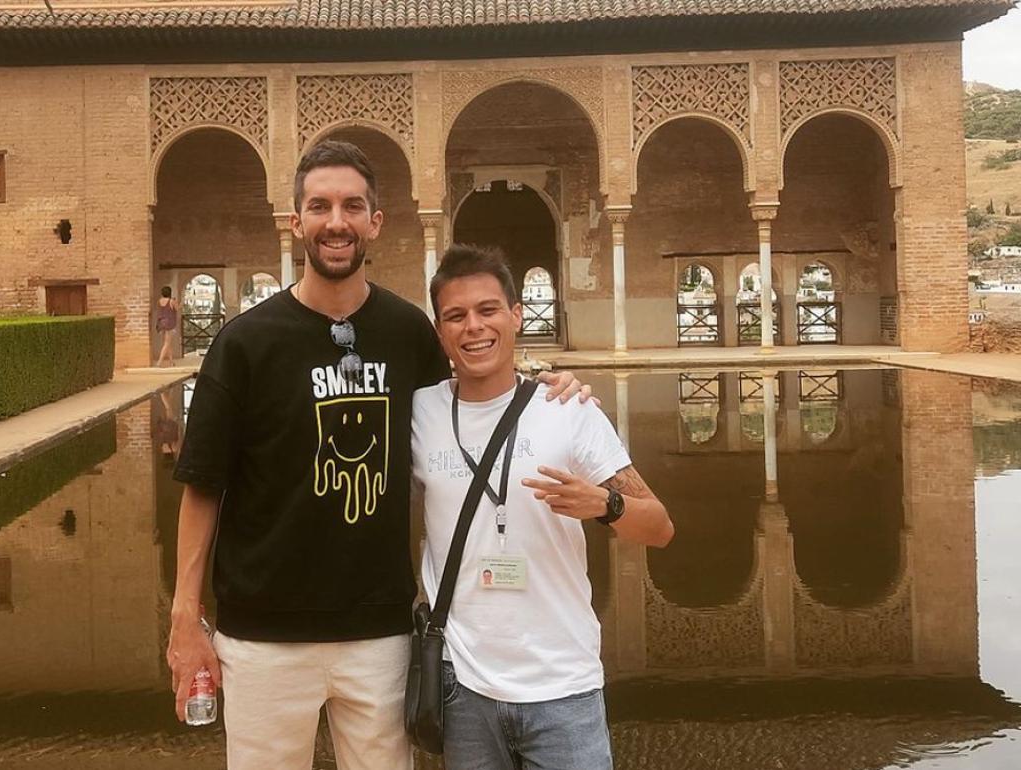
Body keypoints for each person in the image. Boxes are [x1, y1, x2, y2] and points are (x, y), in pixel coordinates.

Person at [165, 140, 589, 770]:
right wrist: (184, 619)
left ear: (375, 222)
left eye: (352, 206)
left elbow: (473, 397)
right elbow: (204, 486)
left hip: (380, 635)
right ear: (295, 222)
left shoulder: (407, 332)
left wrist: (550, 386)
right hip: (262, 635)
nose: (336, 221)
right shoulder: (245, 343)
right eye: (320, 206)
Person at [412, 244, 675, 770]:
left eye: (488, 310)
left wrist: (605, 503)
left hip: (563, 688)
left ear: (515, 316)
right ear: (440, 332)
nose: (474, 328)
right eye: (455, 316)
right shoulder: (421, 411)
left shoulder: (568, 410)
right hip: (464, 688)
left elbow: (661, 528)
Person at [154, 285, 179, 366]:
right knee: (167, 343)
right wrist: (181, 303)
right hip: (169, 323)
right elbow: (177, 309)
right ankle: (159, 362)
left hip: (161, 323)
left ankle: (171, 362)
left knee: (167, 343)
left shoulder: (159, 301)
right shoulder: (171, 301)